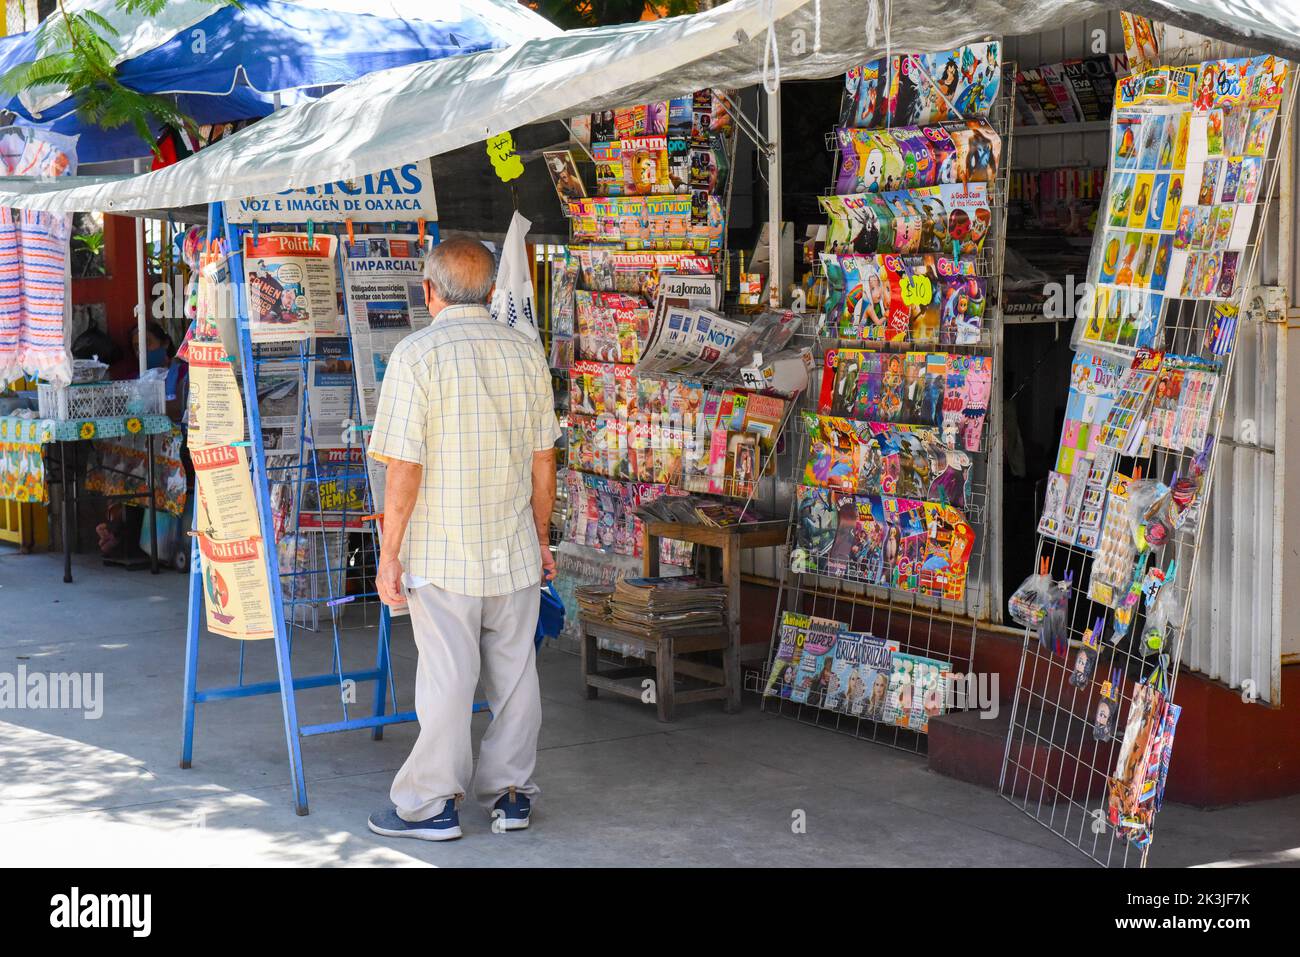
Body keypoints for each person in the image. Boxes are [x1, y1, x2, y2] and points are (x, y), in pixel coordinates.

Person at [365, 238, 560, 843]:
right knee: (516, 676)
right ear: (493, 294)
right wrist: (542, 537)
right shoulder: (526, 354)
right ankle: (511, 796)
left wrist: (389, 553)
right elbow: (543, 461)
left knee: (448, 679)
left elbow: (404, 467)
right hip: (514, 550)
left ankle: (431, 806)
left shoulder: (416, 354)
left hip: (443, 553)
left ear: (430, 292)